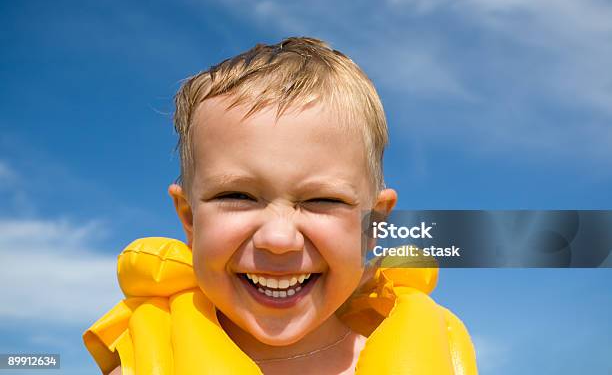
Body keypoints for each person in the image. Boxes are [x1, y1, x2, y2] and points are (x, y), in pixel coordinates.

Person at [84, 37, 477, 374]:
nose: (278, 239)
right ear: (189, 218)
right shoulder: (146, 364)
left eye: (322, 200)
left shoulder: (428, 357)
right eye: (236, 196)